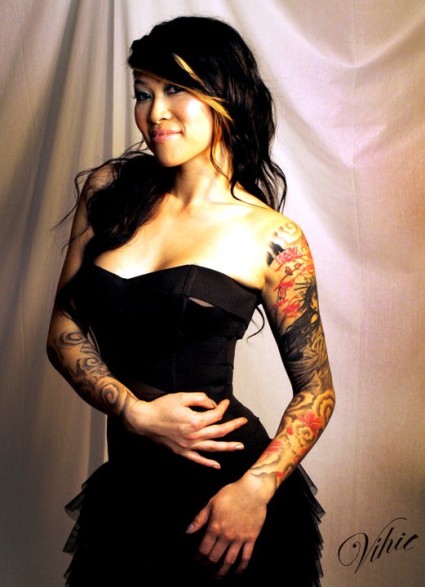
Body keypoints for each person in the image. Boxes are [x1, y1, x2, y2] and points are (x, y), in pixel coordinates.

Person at [47, 15, 335, 587]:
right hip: (127, 492)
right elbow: (63, 331)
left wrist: (254, 489)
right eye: (143, 93)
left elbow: (317, 391)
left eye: (176, 89)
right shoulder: (108, 191)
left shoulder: (272, 239)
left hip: (223, 500)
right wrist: (135, 413)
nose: (155, 112)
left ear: (225, 97)